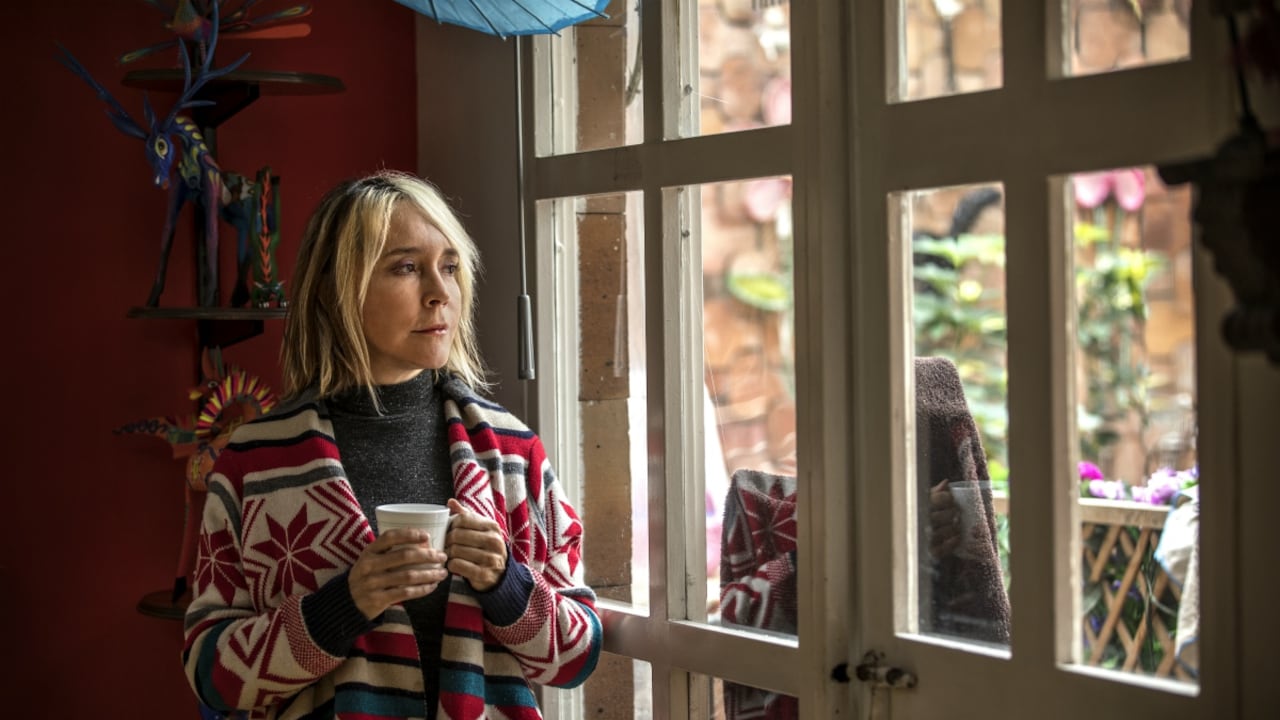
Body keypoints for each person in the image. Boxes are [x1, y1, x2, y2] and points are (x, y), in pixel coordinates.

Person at [182, 170, 602, 720]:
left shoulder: (511, 452)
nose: (440, 293)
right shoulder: (255, 464)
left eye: (449, 267)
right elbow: (211, 676)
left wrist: (506, 584)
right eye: (406, 267)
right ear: (338, 289)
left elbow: (578, 656)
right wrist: (343, 606)